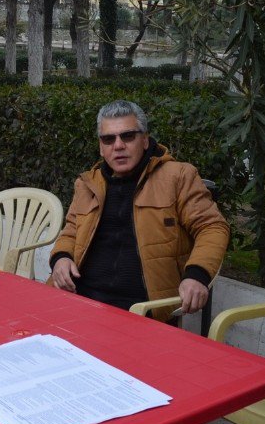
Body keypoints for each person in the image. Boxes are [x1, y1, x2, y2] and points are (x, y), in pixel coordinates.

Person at [49, 100, 229, 317]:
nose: (118, 146)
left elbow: (212, 227)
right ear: (101, 147)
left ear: (144, 140)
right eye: (108, 139)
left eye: (127, 136)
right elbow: (71, 230)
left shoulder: (178, 176)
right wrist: (61, 258)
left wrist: (197, 275)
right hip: (77, 297)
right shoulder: (88, 183)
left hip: (140, 309)